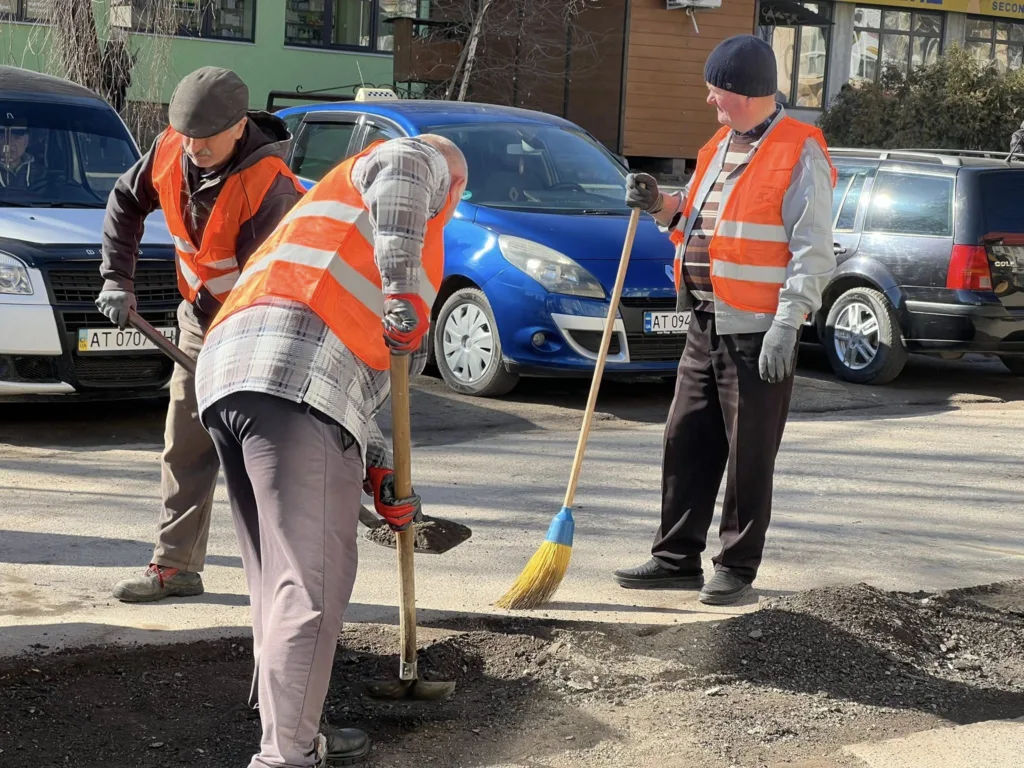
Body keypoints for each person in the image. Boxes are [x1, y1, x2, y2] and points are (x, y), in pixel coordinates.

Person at [193, 134, 468, 768]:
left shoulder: (336, 221)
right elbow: (405, 163)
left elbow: (352, 380)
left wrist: (378, 468)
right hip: (291, 372)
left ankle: (290, 728)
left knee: (277, 576)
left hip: (241, 375)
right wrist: (403, 291)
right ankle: (285, 754)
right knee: (312, 583)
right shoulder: (417, 161)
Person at [614, 35, 837, 606]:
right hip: (704, 319)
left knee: (749, 453)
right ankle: (675, 558)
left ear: (744, 91)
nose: (710, 101)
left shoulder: (800, 150)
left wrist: (789, 322)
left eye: (717, 91)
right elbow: (694, 217)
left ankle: (736, 566)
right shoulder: (719, 143)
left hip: (759, 330)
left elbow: (813, 250)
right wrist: (659, 203)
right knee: (686, 438)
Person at [96, 67, 304, 602]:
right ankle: (176, 566)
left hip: (256, 328)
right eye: (187, 134)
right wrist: (117, 278)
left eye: (207, 137)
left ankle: (285, 579)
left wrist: (233, 349)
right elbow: (126, 201)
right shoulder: (172, 147)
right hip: (197, 320)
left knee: (262, 457)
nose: (195, 147)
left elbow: (269, 281)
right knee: (184, 446)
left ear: (238, 127)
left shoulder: (270, 186)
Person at [0, 121, 42, 191]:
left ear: (26, 141)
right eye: (4, 137)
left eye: (17, 137)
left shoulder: (41, 174)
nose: (10, 143)